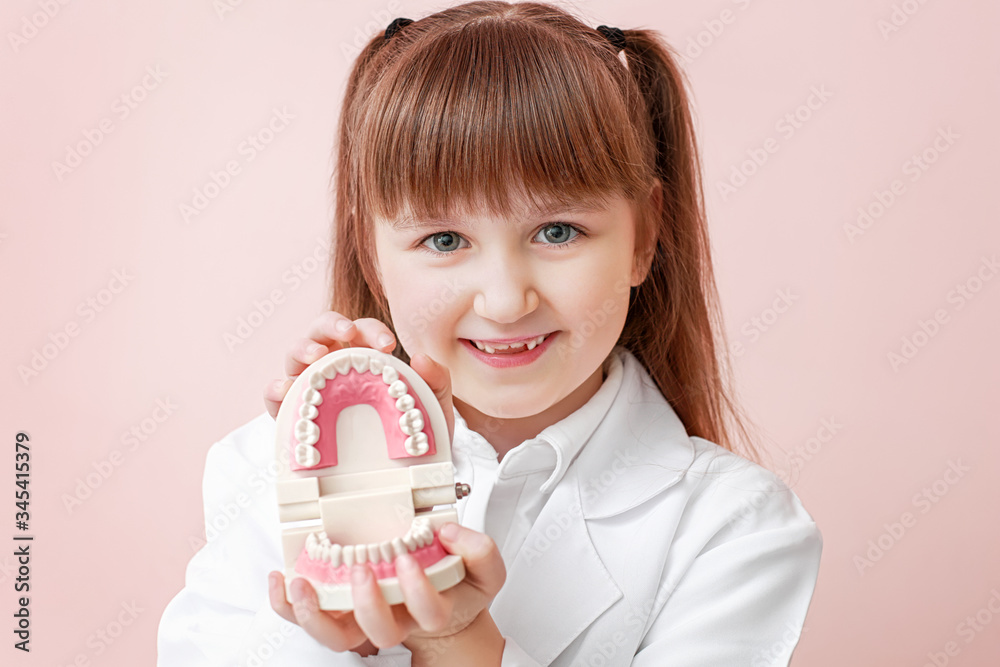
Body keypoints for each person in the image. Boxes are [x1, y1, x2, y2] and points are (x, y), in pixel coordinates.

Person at [157, 2, 822, 665]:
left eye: (558, 231)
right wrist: (350, 527)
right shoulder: (258, 471)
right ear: (370, 248)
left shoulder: (735, 528)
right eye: (444, 239)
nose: (505, 302)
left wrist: (456, 641)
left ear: (645, 234)